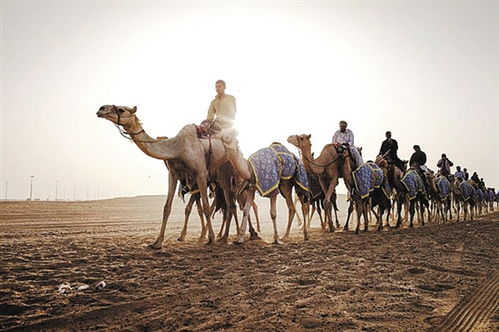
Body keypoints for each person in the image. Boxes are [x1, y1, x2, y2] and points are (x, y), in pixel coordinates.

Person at [205, 80, 250, 180]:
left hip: (228, 127)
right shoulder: (213, 102)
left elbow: (232, 113)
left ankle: (241, 176)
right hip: (215, 127)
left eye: (219, 86)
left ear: (224, 87)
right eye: (216, 86)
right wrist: (207, 124)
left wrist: (222, 121)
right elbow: (209, 116)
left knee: (231, 146)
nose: (217, 88)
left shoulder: (231, 99)